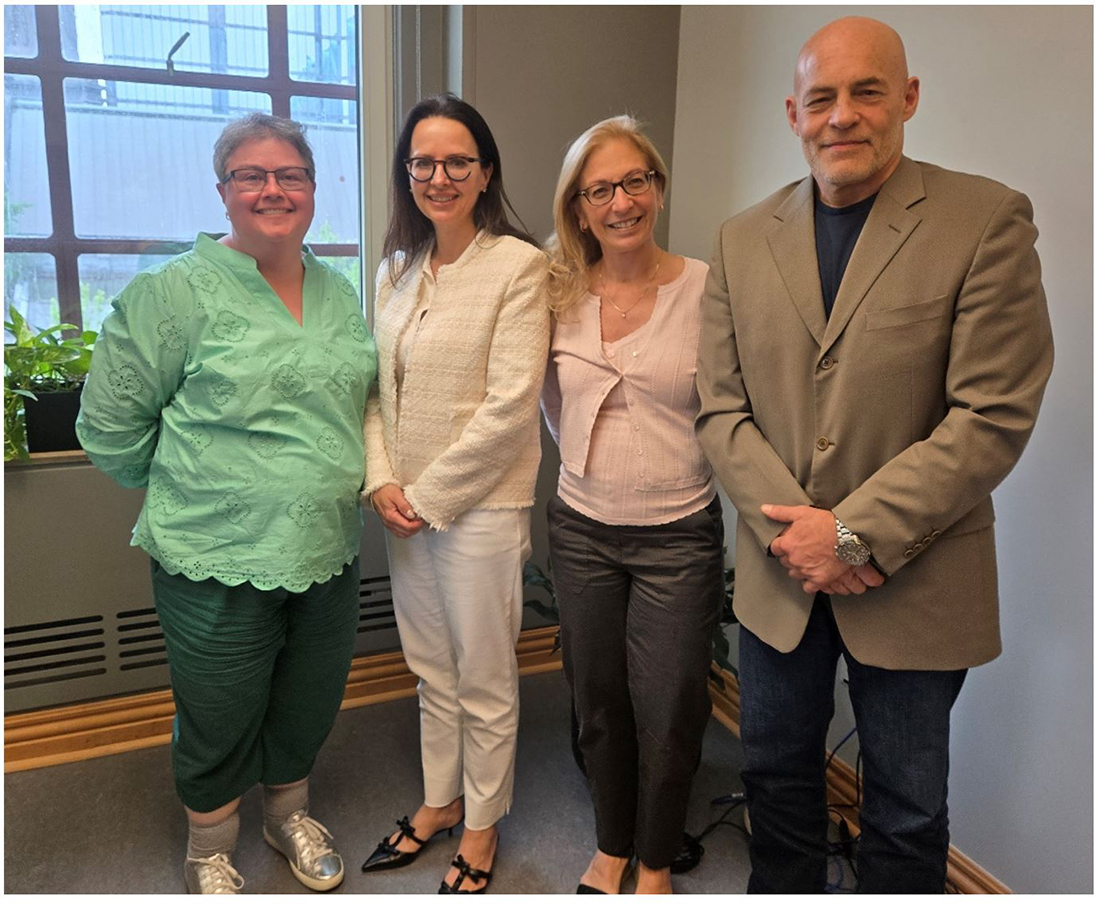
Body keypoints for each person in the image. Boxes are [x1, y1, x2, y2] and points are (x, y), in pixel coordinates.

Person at [694, 16, 1054, 893]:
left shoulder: (984, 220)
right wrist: (800, 537)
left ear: (909, 99)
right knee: (775, 776)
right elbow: (720, 410)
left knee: (907, 808)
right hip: (781, 577)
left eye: (867, 92)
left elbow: (992, 412)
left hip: (919, 577)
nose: (842, 116)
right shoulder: (742, 241)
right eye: (822, 98)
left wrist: (848, 534)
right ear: (793, 112)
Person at [76, 113, 377, 894]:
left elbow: (359, 403)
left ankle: (287, 816)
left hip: (326, 548)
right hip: (214, 555)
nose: (273, 189)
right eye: (252, 175)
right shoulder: (171, 293)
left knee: (308, 699)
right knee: (219, 708)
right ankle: (209, 847)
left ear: (314, 190)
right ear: (223, 191)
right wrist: (202, 482)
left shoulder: (339, 289)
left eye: (291, 175)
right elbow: (109, 426)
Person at [358, 93, 549, 894]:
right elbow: (375, 392)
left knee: (483, 676)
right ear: (407, 175)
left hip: (480, 510)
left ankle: (481, 823)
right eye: (423, 163)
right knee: (430, 668)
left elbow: (512, 406)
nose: (439, 176)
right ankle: (439, 801)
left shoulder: (518, 265)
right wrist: (382, 482)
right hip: (407, 509)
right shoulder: (394, 269)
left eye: (456, 162)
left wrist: (427, 495)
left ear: (485, 173)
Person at [541, 116, 725, 895]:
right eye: (601, 189)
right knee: (598, 703)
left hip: (679, 533)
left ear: (657, 188)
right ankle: (612, 843)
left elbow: (731, 405)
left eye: (635, 182)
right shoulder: (553, 292)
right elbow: (549, 402)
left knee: (673, 706)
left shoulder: (707, 288)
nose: (622, 201)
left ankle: (654, 861)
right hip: (581, 528)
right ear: (579, 209)